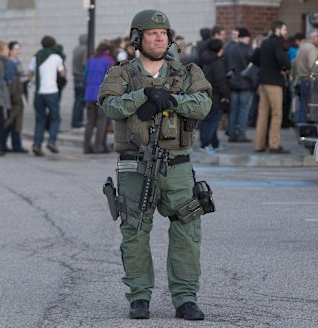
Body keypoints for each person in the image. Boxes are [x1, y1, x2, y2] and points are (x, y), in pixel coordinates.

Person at [99, 9, 213, 321]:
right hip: (136, 166)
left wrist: (171, 100)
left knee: (187, 229)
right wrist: (144, 94)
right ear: (137, 38)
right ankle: (139, 297)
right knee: (134, 230)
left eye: (163, 33)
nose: (160, 37)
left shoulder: (186, 72)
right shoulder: (121, 74)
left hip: (177, 166)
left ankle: (186, 298)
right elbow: (110, 105)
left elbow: (203, 104)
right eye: (152, 33)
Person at [252, 21, 291, 153]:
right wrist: (286, 67)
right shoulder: (278, 42)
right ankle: (274, 145)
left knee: (262, 114)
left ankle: (259, 145)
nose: (286, 32)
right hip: (274, 82)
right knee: (276, 114)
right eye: (284, 29)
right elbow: (282, 58)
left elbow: (253, 58)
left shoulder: (265, 42)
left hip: (262, 82)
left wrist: (266, 66)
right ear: (278, 30)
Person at [27, 35, 66, 156]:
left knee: (40, 119)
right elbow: (62, 73)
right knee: (55, 118)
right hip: (52, 91)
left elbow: (30, 74)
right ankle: (51, 141)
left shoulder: (36, 56)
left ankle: (36, 144)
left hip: (39, 92)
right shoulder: (56, 57)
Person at [83, 40, 115, 154]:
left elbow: (85, 75)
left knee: (90, 121)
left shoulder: (91, 60)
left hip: (89, 94)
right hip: (102, 95)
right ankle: (99, 146)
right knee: (102, 121)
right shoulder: (109, 60)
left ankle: (86, 147)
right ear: (107, 50)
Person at [199, 39, 229, 152]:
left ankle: (214, 143)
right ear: (220, 50)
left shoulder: (205, 60)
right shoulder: (217, 63)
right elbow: (220, 81)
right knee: (212, 121)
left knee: (209, 120)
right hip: (215, 95)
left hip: (206, 93)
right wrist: (226, 95)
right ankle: (205, 144)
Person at [224, 27, 253, 142]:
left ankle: (231, 133)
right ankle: (241, 134)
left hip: (232, 83)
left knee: (234, 109)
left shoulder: (230, 49)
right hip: (245, 83)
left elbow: (226, 64)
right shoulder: (248, 50)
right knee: (244, 110)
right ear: (245, 38)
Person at [1, 41, 29, 153]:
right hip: (13, 95)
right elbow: (11, 81)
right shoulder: (9, 63)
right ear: (10, 51)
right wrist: (27, 78)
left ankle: (14, 143)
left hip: (19, 93)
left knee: (16, 121)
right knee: (12, 119)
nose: (18, 51)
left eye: (19, 49)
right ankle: (6, 143)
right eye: (15, 49)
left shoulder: (18, 62)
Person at [293, 28, 318, 124]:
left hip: (301, 79)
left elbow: (295, 63)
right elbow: (312, 65)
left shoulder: (302, 47)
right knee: (308, 106)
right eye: (317, 36)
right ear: (313, 37)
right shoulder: (311, 49)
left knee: (302, 106)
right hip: (309, 80)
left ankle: (301, 125)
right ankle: (305, 127)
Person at [71, 34, 88, 129]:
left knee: (77, 99)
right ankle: (78, 121)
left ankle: (75, 121)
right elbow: (85, 64)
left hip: (76, 77)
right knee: (80, 101)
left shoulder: (76, 49)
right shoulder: (85, 49)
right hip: (82, 76)